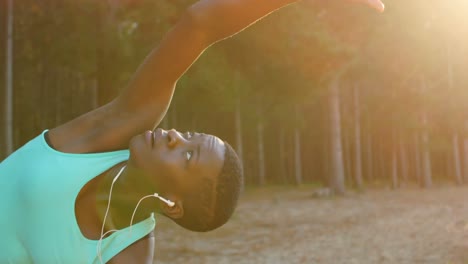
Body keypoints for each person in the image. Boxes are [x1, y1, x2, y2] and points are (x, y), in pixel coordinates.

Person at [0, 0, 384, 263]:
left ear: (172, 203)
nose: (173, 135)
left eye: (187, 155)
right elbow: (201, 25)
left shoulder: (128, 254)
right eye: (188, 137)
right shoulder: (115, 129)